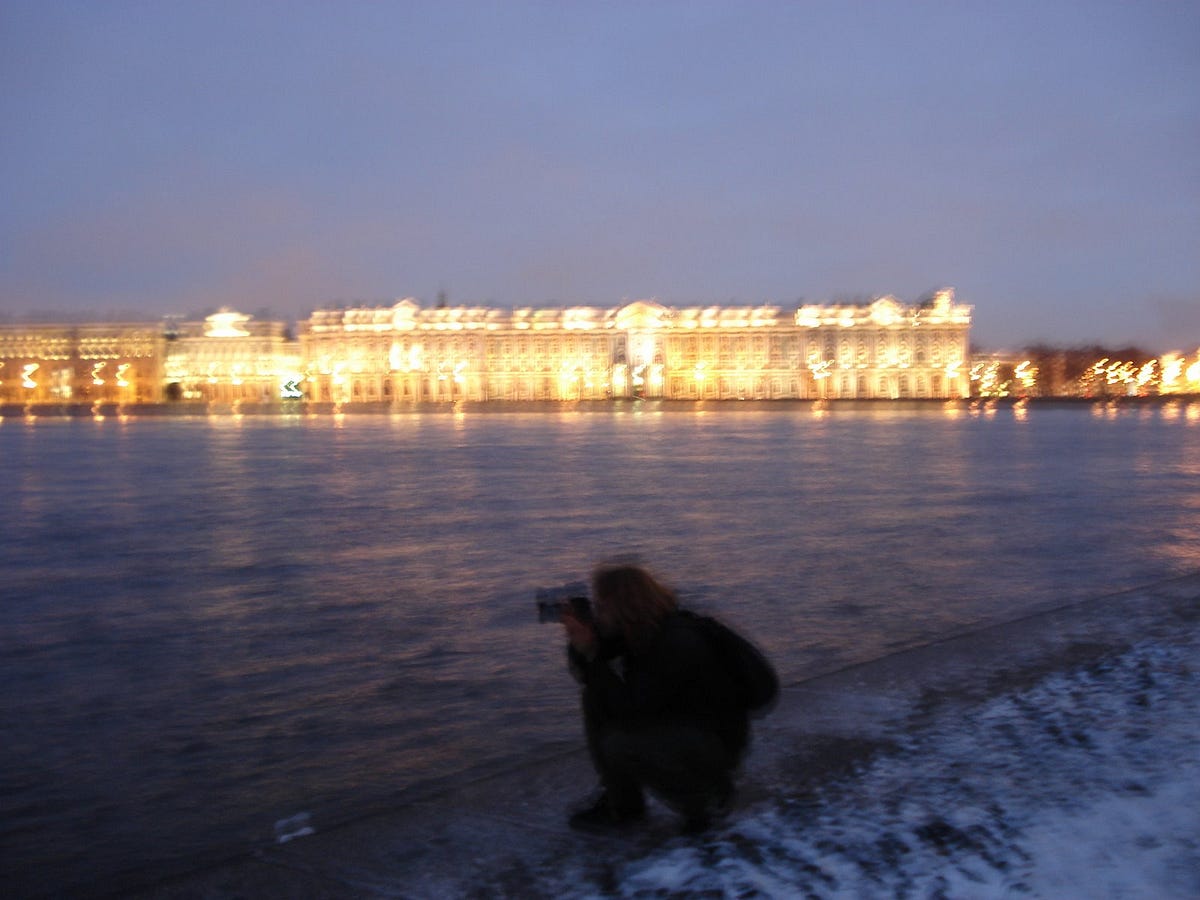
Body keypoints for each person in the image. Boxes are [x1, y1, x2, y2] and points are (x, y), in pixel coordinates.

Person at [560, 563, 749, 834]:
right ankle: (623, 805)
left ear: (624, 608)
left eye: (601, 607)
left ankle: (706, 803)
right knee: (594, 698)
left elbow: (635, 708)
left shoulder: (674, 642)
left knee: (620, 743)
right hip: (689, 729)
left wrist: (592, 652)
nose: (597, 614)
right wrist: (582, 645)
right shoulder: (643, 631)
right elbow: (592, 679)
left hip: (715, 742)